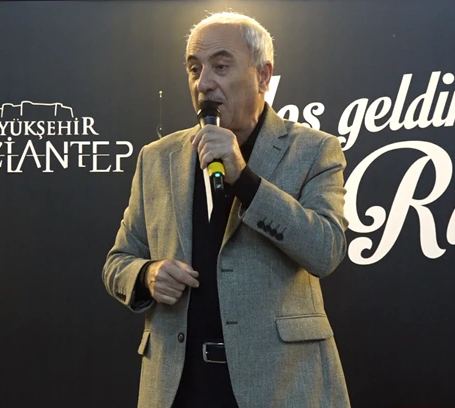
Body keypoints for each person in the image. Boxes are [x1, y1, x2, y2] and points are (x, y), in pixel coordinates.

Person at [102, 11, 351, 408]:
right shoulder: (157, 158)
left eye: (220, 66)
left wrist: (245, 181)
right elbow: (118, 262)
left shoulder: (314, 150)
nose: (203, 83)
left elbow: (326, 250)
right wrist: (146, 275)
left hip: (280, 385)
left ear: (263, 76)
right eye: (194, 69)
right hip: (178, 388)